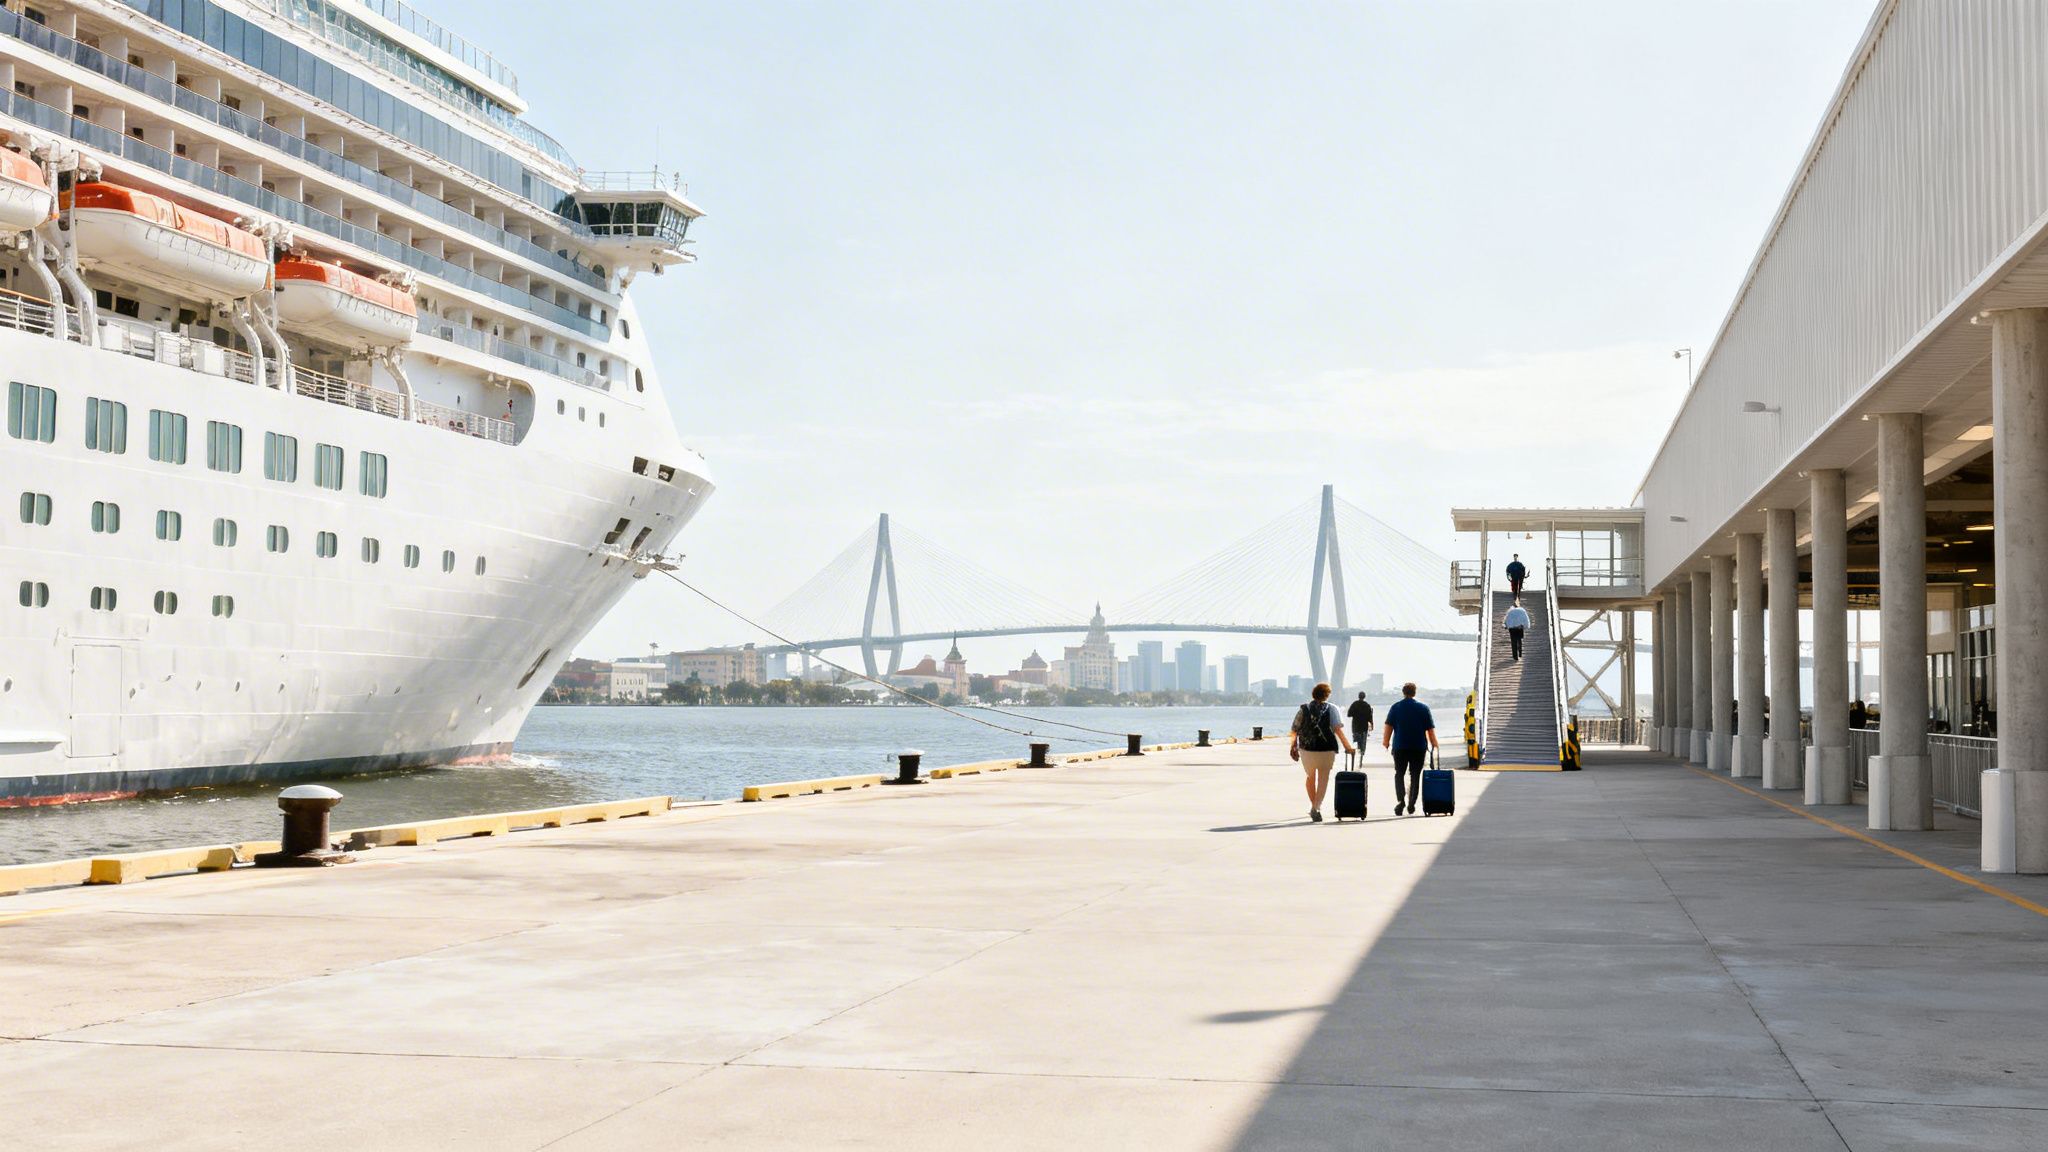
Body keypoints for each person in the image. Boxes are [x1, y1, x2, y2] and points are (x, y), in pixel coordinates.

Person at [1290, 682, 1356, 823]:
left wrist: (1293, 746)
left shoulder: (1304, 709)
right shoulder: (1332, 708)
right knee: (1323, 779)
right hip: (1327, 749)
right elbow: (1338, 729)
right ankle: (1316, 808)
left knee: (1310, 777)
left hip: (1307, 749)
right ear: (1327, 695)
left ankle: (1314, 806)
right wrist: (1347, 746)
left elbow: (1295, 729)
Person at [1382, 681, 1439, 816]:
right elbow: (1430, 730)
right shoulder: (1423, 708)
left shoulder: (1395, 707)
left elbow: (1388, 727)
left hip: (1400, 747)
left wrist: (1386, 742)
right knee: (1415, 775)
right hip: (1418, 747)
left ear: (1403, 692)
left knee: (1399, 774)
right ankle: (1412, 803)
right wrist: (1434, 744)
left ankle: (1401, 801)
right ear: (1414, 693)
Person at [1346, 692, 1374, 765]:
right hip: (1364, 728)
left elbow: (1348, 714)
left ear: (1358, 696)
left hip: (1356, 727)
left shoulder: (1354, 704)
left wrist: (1355, 713)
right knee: (1363, 744)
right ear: (1364, 697)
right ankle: (1361, 759)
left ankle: (1356, 760)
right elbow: (1370, 718)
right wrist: (1372, 725)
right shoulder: (1367, 705)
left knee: (1357, 743)